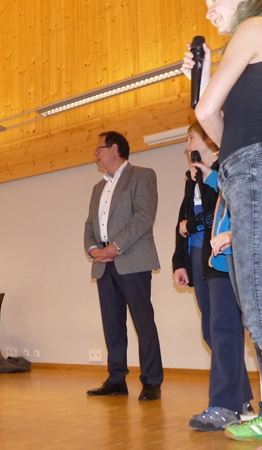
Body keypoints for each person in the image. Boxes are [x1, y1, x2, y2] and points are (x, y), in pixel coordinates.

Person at [182, 0, 262, 441]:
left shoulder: (253, 26)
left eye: (216, 1)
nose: (210, 12)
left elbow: (209, 115)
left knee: (257, 302)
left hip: (250, 168)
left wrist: (204, 90)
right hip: (249, 169)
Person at [171, 123, 253, 431]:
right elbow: (181, 222)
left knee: (223, 329)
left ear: (208, 139)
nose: (186, 145)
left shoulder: (224, 170)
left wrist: (191, 223)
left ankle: (224, 405)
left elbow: (220, 211)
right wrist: (179, 261)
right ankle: (240, 399)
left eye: (190, 138)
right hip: (199, 258)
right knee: (212, 330)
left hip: (221, 256)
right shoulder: (192, 178)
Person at [84, 131, 163, 401]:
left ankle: (151, 382)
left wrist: (115, 247)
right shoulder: (98, 188)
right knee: (112, 325)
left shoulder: (142, 175)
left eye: (99, 149)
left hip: (132, 260)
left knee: (143, 323)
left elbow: (144, 217)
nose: (95, 154)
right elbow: (89, 225)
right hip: (104, 265)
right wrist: (93, 249)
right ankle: (116, 379)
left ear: (114, 149)